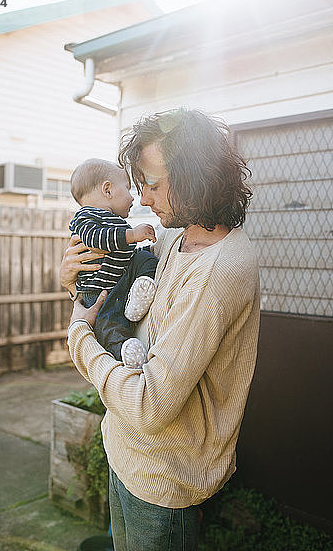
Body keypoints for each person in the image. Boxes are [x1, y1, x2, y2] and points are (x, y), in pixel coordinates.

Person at [60, 108, 260, 551]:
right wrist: (78, 283)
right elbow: (116, 299)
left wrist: (79, 336)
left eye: (152, 183)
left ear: (194, 176)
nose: (144, 198)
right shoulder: (173, 237)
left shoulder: (220, 269)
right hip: (124, 451)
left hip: (161, 480)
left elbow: (151, 405)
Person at [68, 158, 158, 367]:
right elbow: (95, 239)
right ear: (107, 190)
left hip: (121, 279)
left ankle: (139, 295)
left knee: (145, 258)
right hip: (99, 290)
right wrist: (132, 235)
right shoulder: (86, 217)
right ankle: (125, 350)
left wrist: (144, 248)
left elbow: (126, 252)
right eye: (128, 188)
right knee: (108, 326)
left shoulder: (115, 221)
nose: (133, 198)